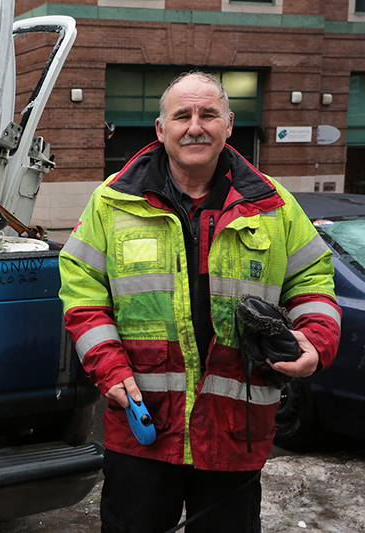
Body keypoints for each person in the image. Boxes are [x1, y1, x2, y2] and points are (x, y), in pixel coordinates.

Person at [59, 71, 341, 532]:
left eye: (208, 114)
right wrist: (108, 366)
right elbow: (82, 291)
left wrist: (315, 340)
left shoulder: (273, 205)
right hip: (143, 425)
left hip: (235, 429)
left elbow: (313, 278)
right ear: (160, 128)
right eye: (182, 115)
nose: (195, 126)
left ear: (228, 124)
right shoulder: (111, 203)